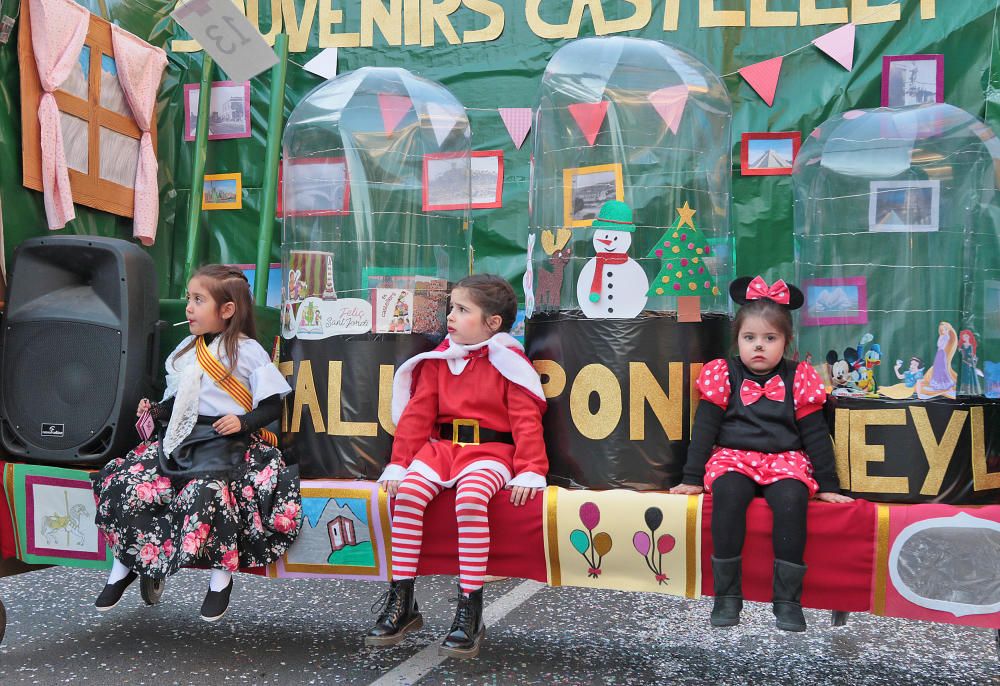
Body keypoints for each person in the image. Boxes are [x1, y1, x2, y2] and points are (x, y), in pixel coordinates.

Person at [92, 265, 302, 622]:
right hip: (183, 437)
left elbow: (271, 404)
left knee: (210, 491)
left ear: (227, 309)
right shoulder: (187, 350)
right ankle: (125, 564)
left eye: (198, 300)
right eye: (189, 299)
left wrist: (243, 421)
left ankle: (221, 579)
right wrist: (156, 409)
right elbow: (183, 403)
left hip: (226, 441)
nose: (188, 307)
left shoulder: (248, 351)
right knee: (129, 484)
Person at [365, 274, 547, 659]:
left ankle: (470, 608)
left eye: (463, 310)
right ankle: (402, 601)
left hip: (492, 453)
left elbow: (525, 419)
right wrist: (399, 465)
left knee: (470, 499)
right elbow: (416, 417)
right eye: (452, 307)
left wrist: (531, 468)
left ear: (492, 323)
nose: (451, 316)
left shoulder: (507, 362)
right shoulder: (438, 359)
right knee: (409, 495)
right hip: (443, 450)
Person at [670, 276, 852, 632]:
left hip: (785, 458)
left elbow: (815, 434)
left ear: (787, 341)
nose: (759, 347)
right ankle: (726, 596)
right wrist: (691, 478)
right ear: (736, 338)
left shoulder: (799, 377)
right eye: (749, 338)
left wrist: (828, 484)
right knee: (728, 496)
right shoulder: (723, 373)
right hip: (733, 458)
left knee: (792, 501)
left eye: (770, 339)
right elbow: (704, 428)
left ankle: (787, 600)